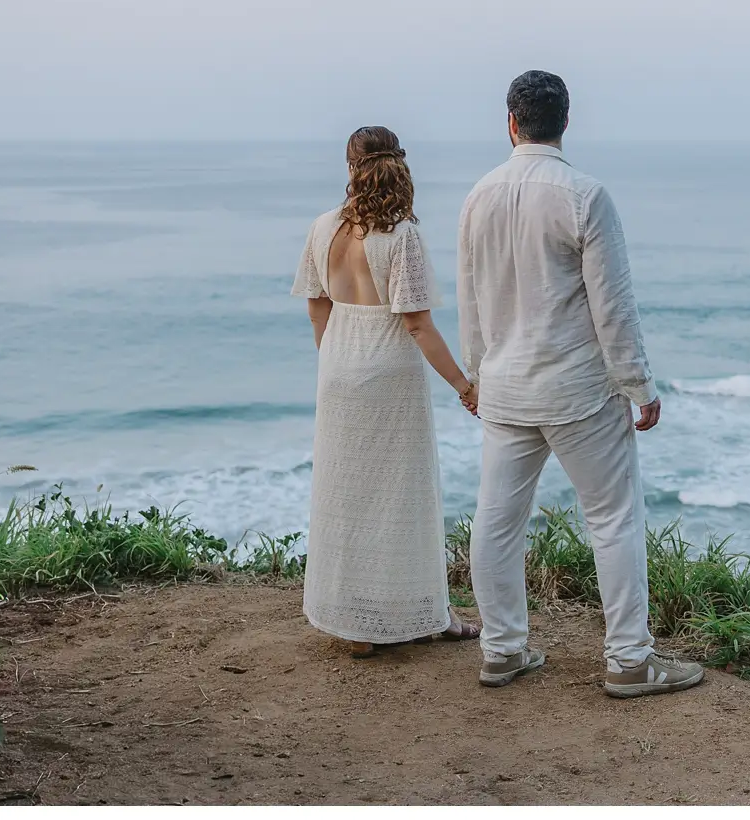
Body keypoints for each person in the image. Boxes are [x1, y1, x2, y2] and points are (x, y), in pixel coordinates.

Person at [458, 70, 704, 698]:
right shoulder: (585, 195)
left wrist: (475, 373)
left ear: (510, 122)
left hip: (505, 388)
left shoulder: (477, 195)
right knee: (613, 518)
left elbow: (470, 300)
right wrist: (638, 384)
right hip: (576, 390)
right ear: (566, 122)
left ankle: (502, 650)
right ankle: (628, 660)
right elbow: (612, 304)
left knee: (495, 521)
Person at [291, 125, 480, 658]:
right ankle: (426, 615)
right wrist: (466, 386)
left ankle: (354, 624)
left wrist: (334, 359)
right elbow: (417, 324)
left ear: (349, 166)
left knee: (345, 494)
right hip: (390, 370)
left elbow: (316, 305)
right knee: (404, 495)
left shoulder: (322, 228)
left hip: (338, 364)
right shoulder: (401, 236)